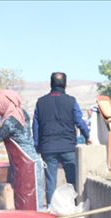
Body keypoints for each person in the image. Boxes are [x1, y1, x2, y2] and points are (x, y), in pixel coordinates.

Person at [0, 90, 46, 211]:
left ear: (5, 103)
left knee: (30, 204)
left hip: (28, 166)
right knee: (25, 203)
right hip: (27, 163)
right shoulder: (21, 113)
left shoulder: (10, 122)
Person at [33, 72, 91, 204]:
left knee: (50, 181)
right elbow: (79, 121)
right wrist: (87, 136)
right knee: (72, 180)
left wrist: (37, 145)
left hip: (47, 148)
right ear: (65, 84)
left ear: (50, 84)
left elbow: (35, 126)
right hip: (68, 147)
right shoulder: (71, 101)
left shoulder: (40, 102)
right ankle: (73, 206)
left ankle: (51, 211)